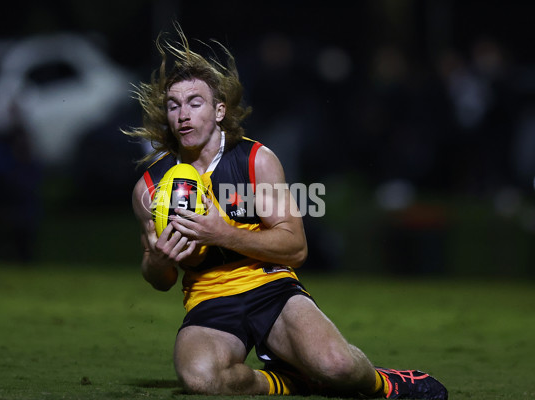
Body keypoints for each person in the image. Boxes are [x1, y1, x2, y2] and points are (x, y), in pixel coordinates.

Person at [127, 25, 448, 399]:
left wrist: (221, 232)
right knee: (201, 380)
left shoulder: (255, 161)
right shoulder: (149, 188)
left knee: (338, 367)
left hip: (271, 288)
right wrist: (158, 260)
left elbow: (295, 247)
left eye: (194, 103)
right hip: (208, 299)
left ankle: (386, 383)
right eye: (173, 105)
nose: (183, 114)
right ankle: (289, 383)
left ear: (218, 110)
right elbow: (160, 277)